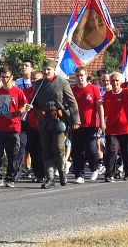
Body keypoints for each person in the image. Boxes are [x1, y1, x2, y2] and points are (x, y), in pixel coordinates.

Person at [32, 59, 80, 188]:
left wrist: (76, 120)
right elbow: (34, 102)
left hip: (59, 121)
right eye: (45, 69)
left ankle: (62, 171)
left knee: (58, 148)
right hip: (43, 121)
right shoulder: (39, 84)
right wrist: (31, 107)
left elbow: (72, 102)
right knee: (46, 149)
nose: (46, 71)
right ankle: (50, 178)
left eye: (49, 69)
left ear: (54, 70)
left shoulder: (62, 82)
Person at [0, 67, 27, 188]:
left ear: (12, 77)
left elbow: (24, 106)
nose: (5, 79)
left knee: (13, 154)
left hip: (13, 128)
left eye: (7, 77)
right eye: (2, 77)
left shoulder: (18, 91)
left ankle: (11, 178)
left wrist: (15, 113)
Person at [102, 71, 128, 182]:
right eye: (112, 80)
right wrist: (102, 123)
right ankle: (109, 174)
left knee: (126, 151)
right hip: (111, 128)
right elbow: (105, 111)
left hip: (126, 128)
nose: (114, 83)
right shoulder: (107, 95)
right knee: (112, 151)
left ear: (121, 81)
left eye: (117, 80)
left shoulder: (127, 92)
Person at [71, 66, 105, 184]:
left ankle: (94, 168)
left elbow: (99, 106)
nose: (80, 78)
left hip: (91, 124)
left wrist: (102, 121)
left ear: (86, 76)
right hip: (77, 125)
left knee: (91, 149)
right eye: (78, 76)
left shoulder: (94, 88)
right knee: (77, 151)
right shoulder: (73, 90)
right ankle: (79, 175)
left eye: (82, 75)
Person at [23, 71, 45, 183]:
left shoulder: (46, 91)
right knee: (33, 150)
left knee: (42, 150)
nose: (33, 81)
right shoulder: (26, 92)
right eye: (31, 79)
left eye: (35, 79)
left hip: (44, 125)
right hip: (30, 125)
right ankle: (38, 174)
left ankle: (45, 173)